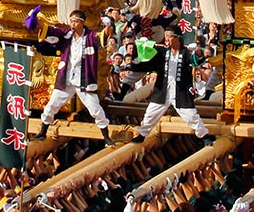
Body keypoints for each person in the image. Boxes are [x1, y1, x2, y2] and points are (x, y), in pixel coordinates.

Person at [36, 10, 114, 143]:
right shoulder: (66, 35)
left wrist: (108, 25)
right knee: (51, 105)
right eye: (71, 21)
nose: (73, 24)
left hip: (84, 80)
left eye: (76, 21)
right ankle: (42, 132)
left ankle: (106, 137)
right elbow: (49, 30)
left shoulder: (90, 36)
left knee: (95, 109)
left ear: (82, 23)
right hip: (66, 79)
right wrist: (35, 20)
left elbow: (104, 36)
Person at [128, 26, 211, 145]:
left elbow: (198, 60)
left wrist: (197, 50)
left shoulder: (186, 52)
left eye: (169, 35)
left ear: (177, 38)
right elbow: (146, 58)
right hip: (162, 90)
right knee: (151, 113)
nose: (166, 38)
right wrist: (143, 46)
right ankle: (142, 135)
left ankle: (204, 136)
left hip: (180, 91)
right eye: (165, 35)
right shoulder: (162, 51)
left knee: (191, 115)